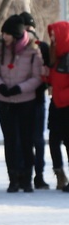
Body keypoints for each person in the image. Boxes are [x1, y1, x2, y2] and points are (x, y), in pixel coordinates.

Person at [0, 14, 43, 193]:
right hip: (4, 100)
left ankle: (26, 177)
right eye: (3, 33)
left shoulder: (33, 51)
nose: (4, 37)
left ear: (17, 34)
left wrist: (20, 88)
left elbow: (37, 78)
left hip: (25, 100)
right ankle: (13, 177)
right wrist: (1, 86)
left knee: (26, 140)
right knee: (11, 140)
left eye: (8, 34)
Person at [20, 11, 51, 189]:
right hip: (24, 98)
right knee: (26, 139)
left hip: (38, 97)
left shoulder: (42, 46)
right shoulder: (18, 47)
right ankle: (27, 173)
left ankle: (38, 174)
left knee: (37, 139)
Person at [47, 19, 69, 192]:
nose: (52, 38)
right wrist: (44, 76)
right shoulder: (56, 55)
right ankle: (59, 173)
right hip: (56, 105)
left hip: (66, 105)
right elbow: (54, 80)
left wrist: (61, 95)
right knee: (54, 140)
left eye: (55, 35)